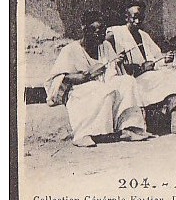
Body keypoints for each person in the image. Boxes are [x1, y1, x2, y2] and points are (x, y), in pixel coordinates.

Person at [45, 10, 150, 147]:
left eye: (103, 31)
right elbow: (57, 79)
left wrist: (114, 65)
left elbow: (112, 74)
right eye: (97, 31)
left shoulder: (105, 46)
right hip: (80, 91)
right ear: (85, 29)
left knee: (127, 81)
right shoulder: (70, 50)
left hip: (104, 84)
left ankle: (128, 127)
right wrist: (86, 76)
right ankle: (92, 134)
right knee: (102, 89)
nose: (101, 35)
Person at [106, 2, 176, 134]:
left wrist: (165, 59)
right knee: (169, 77)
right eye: (134, 17)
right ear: (126, 17)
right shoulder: (116, 33)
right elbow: (111, 60)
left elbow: (156, 57)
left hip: (148, 75)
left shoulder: (143, 35)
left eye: (141, 18)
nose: (138, 21)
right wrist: (141, 68)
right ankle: (175, 122)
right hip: (133, 78)